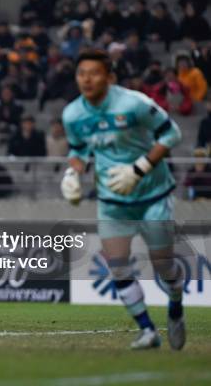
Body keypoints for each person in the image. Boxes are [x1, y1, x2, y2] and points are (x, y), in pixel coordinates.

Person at [60, 49, 184, 350]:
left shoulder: (134, 103)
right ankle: (147, 330)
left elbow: (172, 135)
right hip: (112, 200)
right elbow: (79, 152)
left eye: (94, 73)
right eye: (81, 73)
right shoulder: (72, 114)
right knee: (116, 265)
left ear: (110, 77)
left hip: (153, 194)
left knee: (163, 265)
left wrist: (139, 169)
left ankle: (176, 304)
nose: (87, 79)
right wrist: (72, 174)